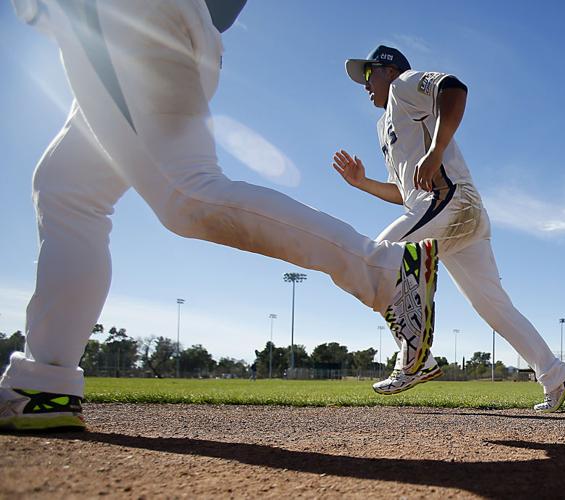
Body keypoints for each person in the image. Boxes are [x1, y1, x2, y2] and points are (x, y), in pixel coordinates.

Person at [0, 0, 437, 432]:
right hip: (144, 22)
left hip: (123, 17)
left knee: (187, 196)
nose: (365, 81)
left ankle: (384, 273)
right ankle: (44, 383)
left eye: (369, 73)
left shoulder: (404, 95)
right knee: (67, 188)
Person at [334, 45, 565, 412]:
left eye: (369, 74)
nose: (365, 84)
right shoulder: (383, 126)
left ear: (389, 70)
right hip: (445, 212)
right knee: (492, 305)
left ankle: (416, 357)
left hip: (449, 200)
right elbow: (404, 193)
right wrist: (362, 182)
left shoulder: (403, 84)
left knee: (374, 258)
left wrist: (435, 152)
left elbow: (454, 88)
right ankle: (554, 373)